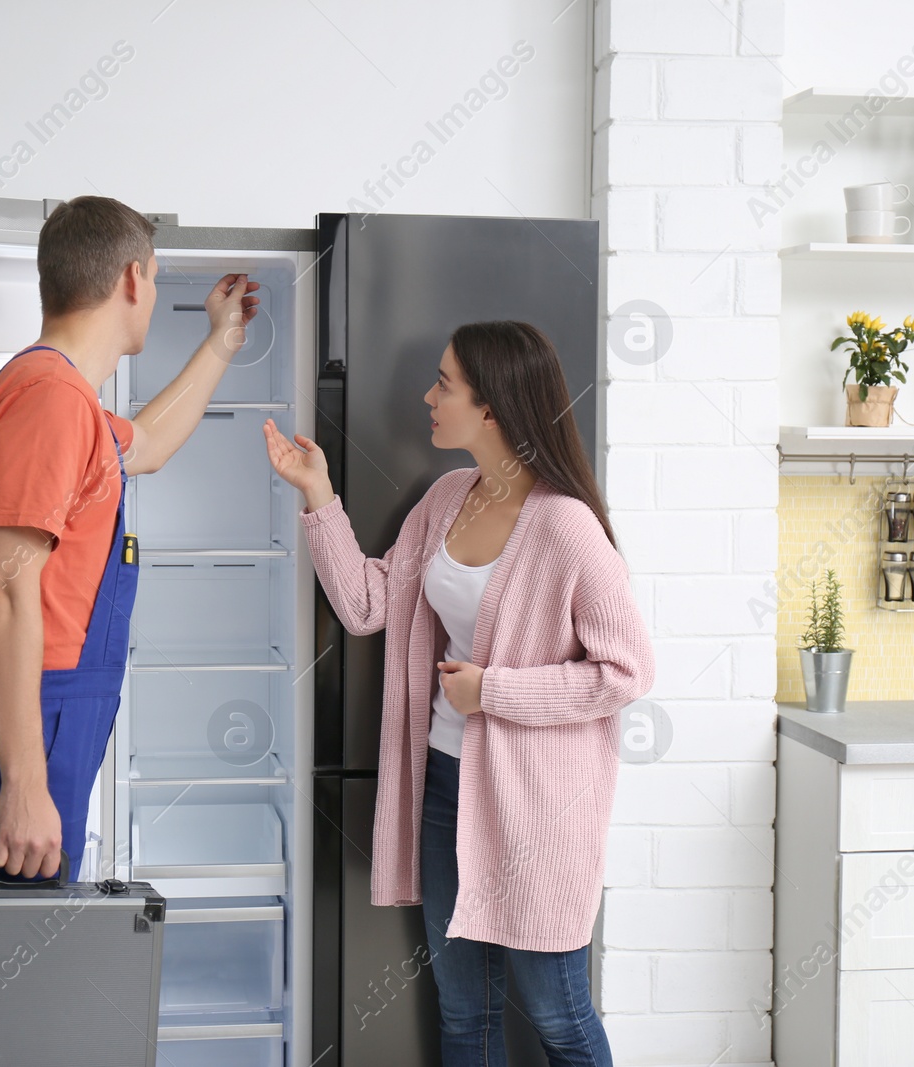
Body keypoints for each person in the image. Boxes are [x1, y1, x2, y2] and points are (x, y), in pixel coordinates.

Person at [262, 321, 654, 1067]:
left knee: (558, 1012)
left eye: (445, 383)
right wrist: (319, 495)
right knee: (462, 1010)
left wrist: (495, 692)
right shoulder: (446, 498)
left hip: (541, 806)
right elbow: (368, 605)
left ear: (494, 408)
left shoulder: (567, 529)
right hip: (444, 785)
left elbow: (627, 671)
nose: (427, 395)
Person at [0, 195, 260, 883]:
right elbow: (5, 592)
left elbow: (152, 443)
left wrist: (221, 339)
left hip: (40, 720)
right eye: (156, 279)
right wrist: (22, 783)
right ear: (133, 279)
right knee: (13, 979)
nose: (154, 293)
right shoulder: (50, 403)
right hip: (18, 733)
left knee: (23, 974)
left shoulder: (62, 400)